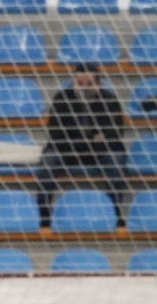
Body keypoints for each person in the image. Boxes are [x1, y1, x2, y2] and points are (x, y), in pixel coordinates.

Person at [36, 64, 127, 226]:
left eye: (89, 84)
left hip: (98, 153)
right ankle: (43, 212)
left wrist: (89, 144)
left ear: (99, 85)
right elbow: (56, 132)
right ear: (73, 83)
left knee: (116, 159)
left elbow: (116, 133)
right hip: (67, 152)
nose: (84, 88)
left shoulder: (110, 100)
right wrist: (93, 140)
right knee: (49, 159)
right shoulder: (61, 99)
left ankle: (114, 210)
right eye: (80, 84)